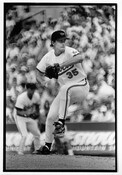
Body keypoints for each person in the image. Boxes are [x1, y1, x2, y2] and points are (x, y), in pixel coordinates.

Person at [36, 30, 89, 154]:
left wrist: (61, 66)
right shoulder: (48, 57)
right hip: (66, 92)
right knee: (50, 118)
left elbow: (81, 57)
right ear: (53, 43)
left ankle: (61, 123)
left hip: (81, 86)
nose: (63, 43)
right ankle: (47, 146)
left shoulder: (69, 51)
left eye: (64, 40)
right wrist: (42, 82)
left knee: (65, 88)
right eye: (60, 41)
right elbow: (38, 71)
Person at [15, 83, 41, 155]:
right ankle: (20, 151)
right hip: (20, 118)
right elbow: (18, 112)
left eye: (34, 89)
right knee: (24, 135)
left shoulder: (36, 96)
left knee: (37, 134)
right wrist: (27, 113)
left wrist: (37, 114)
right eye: (31, 89)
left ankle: (37, 149)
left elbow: (37, 106)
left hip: (29, 117)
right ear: (27, 89)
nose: (32, 91)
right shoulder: (21, 97)